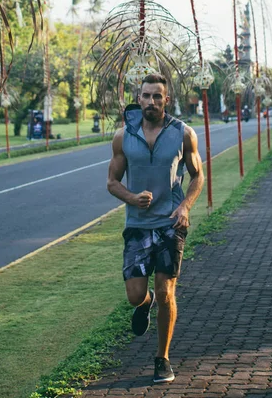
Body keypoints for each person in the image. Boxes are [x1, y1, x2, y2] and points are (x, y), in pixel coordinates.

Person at [107, 73, 205, 383]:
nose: (151, 101)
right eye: (146, 96)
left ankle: (162, 358)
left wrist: (185, 206)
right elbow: (112, 182)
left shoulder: (183, 134)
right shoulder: (124, 136)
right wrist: (132, 197)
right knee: (136, 295)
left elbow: (197, 175)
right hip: (137, 226)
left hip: (169, 224)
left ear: (167, 99)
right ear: (139, 97)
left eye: (157, 96)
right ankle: (143, 303)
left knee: (166, 293)